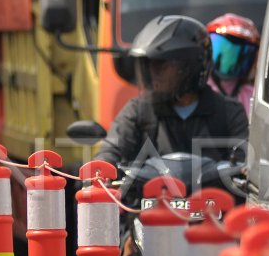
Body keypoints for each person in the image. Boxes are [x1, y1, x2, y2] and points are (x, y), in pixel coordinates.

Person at [94, 14, 249, 167]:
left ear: (190, 67)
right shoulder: (139, 110)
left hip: (212, 193)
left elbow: (246, 164)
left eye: (161, 64)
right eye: (147, 65)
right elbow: (112, 148)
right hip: (150, 193)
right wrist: (101, 168)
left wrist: (242, 171)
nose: (153, 73)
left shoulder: (229, 112)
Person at [205, 12, 260, 117]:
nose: (230, 61)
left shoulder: (253, 96)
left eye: (241, 54)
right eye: (224, 51)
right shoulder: (195, 91)